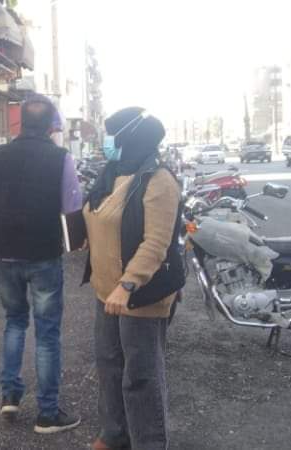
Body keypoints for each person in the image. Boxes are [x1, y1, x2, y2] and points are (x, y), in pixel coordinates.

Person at [0, 95, 83, 434]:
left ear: (20, 123)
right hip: (43, 255)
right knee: (47, 334)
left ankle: (10, 395)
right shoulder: (61, 158)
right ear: (50, 126)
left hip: (4, 254)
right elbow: (72, 208)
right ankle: (47, 413)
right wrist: (78, 243)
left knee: (14, 323)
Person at [83, 107, 185, 450]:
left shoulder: (159, 180)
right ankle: (114, 435)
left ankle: (149, 443)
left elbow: (156, 243)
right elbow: (100, 215)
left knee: (141, 377)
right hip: (105, 290)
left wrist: (128, 284)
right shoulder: (112, 173)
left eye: (113, 134)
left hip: (140, 294)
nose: (108, 142)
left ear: (131, 136)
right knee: (110, 366)